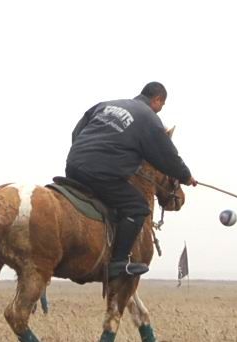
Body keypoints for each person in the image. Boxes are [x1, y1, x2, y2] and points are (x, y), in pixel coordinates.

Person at [65, 81, 196, 277]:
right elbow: (166, 154)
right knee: (137, 207)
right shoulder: (149, 118)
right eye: (162, 105)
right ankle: (119, 262)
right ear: (158, 99)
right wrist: (185, 176)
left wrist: (84, 158)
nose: (160, 110)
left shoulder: (105, 105)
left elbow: (76, 132)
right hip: (102, 174)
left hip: (73, 166)